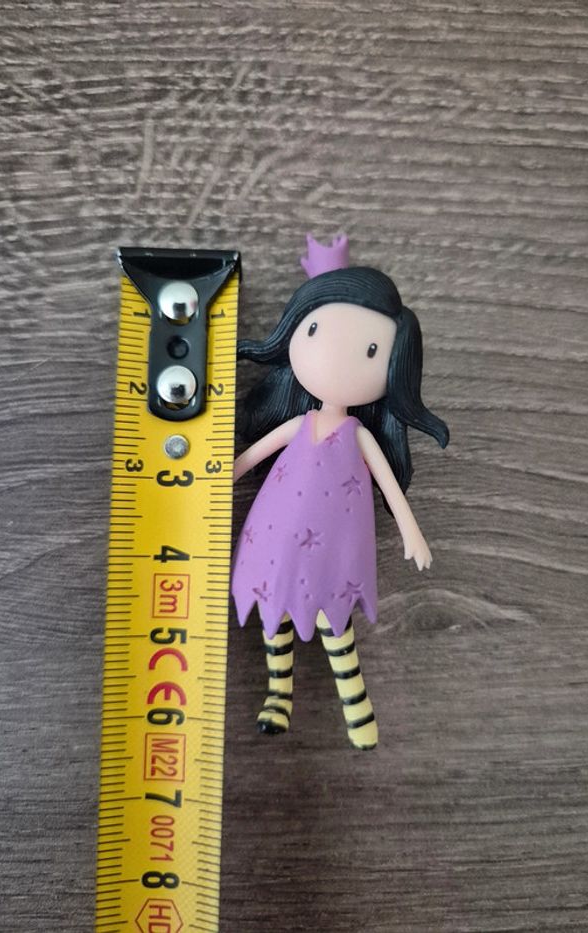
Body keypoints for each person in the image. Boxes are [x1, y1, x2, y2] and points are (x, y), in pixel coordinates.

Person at [231, 235, 449, 749]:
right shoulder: (298, 424)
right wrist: (217, 481)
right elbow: (250, 458)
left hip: (335, 544)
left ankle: (357, 704)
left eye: (372, 351)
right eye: (315, 330)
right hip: (275, 536)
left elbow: (389, 486)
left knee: (336, 620)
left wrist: (411, 532)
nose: (335, 357)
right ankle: (278, 695)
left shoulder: (360, 436)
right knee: (274, 610)